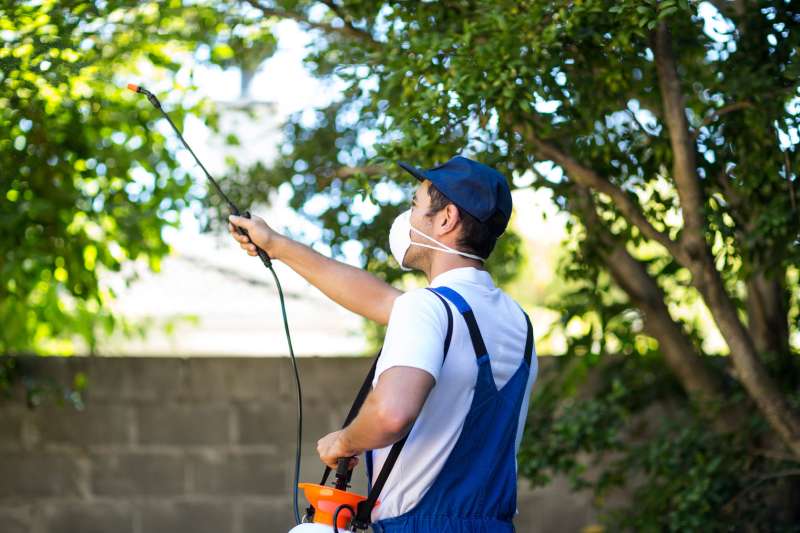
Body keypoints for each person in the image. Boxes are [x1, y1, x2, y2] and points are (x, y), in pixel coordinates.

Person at [229, 155, 538, 532]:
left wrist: (345, 441)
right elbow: (379, 301)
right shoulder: (515, 322)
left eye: (414, 205)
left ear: (446, 219)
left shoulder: (427, 310)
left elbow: (392, 413)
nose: (407, 218)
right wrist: (275, 244)